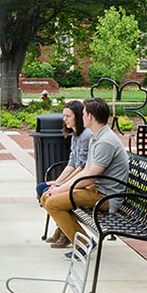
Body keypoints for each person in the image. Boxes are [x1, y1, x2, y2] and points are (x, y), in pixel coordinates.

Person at [41, 98, 130, 251]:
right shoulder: (97, 137)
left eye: (83, 114)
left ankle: (84, 245)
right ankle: (74, 238)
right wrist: (60, 186)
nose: (81, 117)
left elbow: (90, 178)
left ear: (90, 116)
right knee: (46, 197)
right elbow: (85, 171)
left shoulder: (105, 142)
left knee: (52, 202)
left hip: (106, 197)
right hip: (95, 190)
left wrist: (61, 190)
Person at [39, 100, 93, 248]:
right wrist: (57, 181)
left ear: (78, 116)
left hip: (87, 185)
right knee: (43, 191)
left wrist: (61, 185)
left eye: (68, 116)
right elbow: (71, 163)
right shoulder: (75, 135)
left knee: (50, 197)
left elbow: (81, 168)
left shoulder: (87, 136)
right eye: (64, 116)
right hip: (80, 181)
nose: (64, 119)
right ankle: (64, 230)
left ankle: (74, 238)